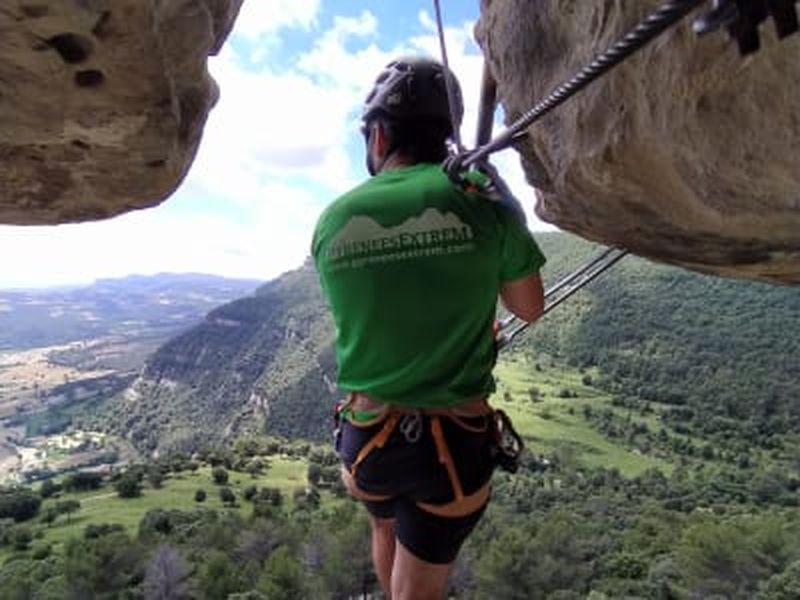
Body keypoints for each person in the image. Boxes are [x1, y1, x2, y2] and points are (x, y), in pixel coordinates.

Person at [312, 56, 546, 600]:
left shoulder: (332, 219)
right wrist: (507, 207)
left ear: (377, 137)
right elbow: (528, 306)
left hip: (368, 440)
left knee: (384, 521)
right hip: (453, 450)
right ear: (448, 134)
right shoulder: (480, 203)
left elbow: (370, 311)